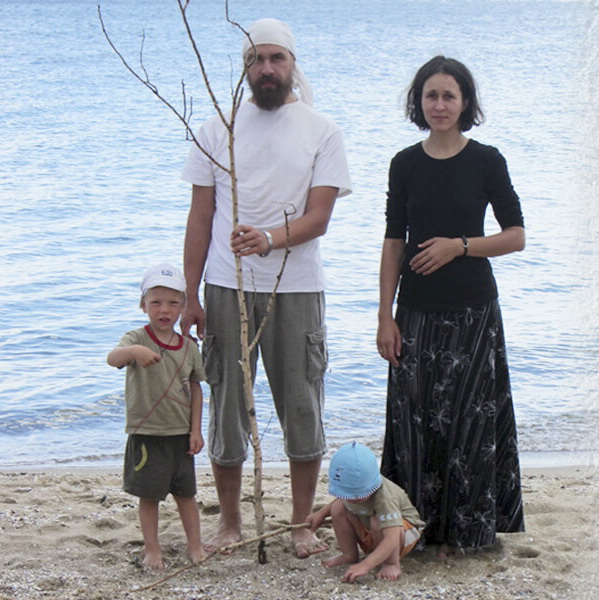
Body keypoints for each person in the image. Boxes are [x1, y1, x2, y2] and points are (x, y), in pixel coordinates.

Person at [180, 18, 352, 558]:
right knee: (228, 405)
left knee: (302, 403)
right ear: (244, 67)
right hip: (225, 286)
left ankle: (301, 524)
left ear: (292, 63)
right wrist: (189, 296)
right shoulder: (217, 129)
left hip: (296, 287)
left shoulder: (322, 130)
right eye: (256, 60)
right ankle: (231, 522)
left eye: (277, 58)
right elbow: (200, 218)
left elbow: (319, 217)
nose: (267, 69)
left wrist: (270, 238)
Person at [377, 56, 526, 556]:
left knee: (470, 423)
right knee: (414, 422)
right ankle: (415, 530)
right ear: (418, 102)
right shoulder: (404, 163)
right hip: (415, 311)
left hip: (473, 312)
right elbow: (393, 242)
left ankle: (468, 534)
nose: (439, 105)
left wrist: (459, 246)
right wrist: (384, 315)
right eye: (431, 96)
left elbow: (516, 236)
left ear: (465, 103)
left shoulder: (486, 160)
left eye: (449, 96)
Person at [107, 264, 207, 570]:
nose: (165, 310)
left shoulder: (188, 347)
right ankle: (152, 549)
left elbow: (196, 388)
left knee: (186, 494)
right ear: (143, 305)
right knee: (149, 496)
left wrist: (196, 430)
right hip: (147, 432)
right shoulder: (136, 337)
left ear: (183, 308)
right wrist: (135, 352)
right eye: (156, 303)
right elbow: (113, 358)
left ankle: (195, 545)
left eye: (173, 303)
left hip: (180, 434)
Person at [306, 442, 424, 582]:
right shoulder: (352, 496)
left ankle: (391, 563)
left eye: (357, 494)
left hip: (403, 535)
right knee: (337, 507)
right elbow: (341, 501)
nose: (352, 498)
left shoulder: (385, 499)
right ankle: (349, 555)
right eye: (347, 494)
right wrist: (321, 514)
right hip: (373, 530)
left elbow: (391, 538)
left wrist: (365, 565)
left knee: (377, 520)